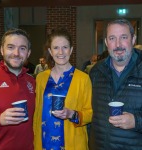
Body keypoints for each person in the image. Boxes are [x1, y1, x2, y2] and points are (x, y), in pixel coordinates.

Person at [33, 27, 92, 150]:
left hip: (72, 143)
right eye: (56, 48)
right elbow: (37, 113)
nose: (61, 52)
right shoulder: (40, 78)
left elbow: (91, 113)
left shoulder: (83, 79)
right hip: (44, 143)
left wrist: (72, 114)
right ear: (50, 51)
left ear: (71, 50)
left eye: (65, 47)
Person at [89, 18, 142, 150]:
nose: (118, 44)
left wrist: (137, 121)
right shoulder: (95, 71)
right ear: (106, 42)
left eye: (123, 37)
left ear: (133, 39)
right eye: (112, 38)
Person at [0, 28, 35, 150]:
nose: (16, 53)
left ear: (28, 53)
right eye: (10, 47)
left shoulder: (32, 81)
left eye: (22, 48)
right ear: (2, 50)